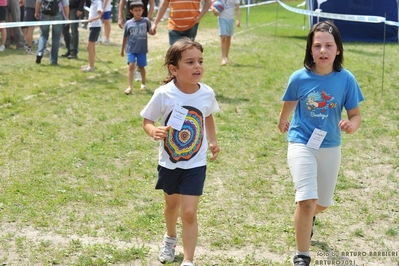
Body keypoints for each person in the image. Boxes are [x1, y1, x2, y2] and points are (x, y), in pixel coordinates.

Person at [277, 20, 364, 266]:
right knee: (306, 201)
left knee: (320, 204)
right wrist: (283, 120)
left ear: (338, 50)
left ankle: (308, 216)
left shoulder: (346, 79)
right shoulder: (299, 77)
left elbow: (355, 114)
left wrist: (352, 125)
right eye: (317, 46)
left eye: (328, 45)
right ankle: (302, 255)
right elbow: (289, 102)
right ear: (310, 50)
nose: (322, 51)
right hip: (301, 142)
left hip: (330, 145)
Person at [140, 37, 220, 266]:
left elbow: (208, 116)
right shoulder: (164, 94)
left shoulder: (206, 93)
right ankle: (170, 238)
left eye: (200, 61)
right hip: (169, 162)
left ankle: (188, 260)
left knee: (189, 212)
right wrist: (153, 130)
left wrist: (212, 141)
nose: (198, 67)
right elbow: (147, 119)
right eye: (190, 62)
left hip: (195, 163)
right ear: (173, 69)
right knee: (172, 205)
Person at [121, 1, 153, 94]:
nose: (138, 12)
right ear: (131, 11)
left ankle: (143, 83)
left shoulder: (146, 21)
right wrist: (122, 49)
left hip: (142, 49)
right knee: (131, 66)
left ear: (143, 10)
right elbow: (125, 37)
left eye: (140, 10)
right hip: (131, 49)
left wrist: (153, 31)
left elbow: (150, 32)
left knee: (141, 67)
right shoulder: (128, 23)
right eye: (136, 10)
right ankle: (129, 87)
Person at [35, 0, 69, 64]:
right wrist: (66, 17)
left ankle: (39, 53)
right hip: (57, 13)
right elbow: (66, 4)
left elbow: (38, 1)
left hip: (45, 12)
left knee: (43, 35)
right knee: (56, 37)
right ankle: (54, 60)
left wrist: (36, 12)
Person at [210, 0, 240, 66]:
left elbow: (237, 8)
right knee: (223, 37)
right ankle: (223, 58)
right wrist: (214, 9)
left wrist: (238, 20)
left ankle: (226, 56)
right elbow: (210, 3)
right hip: (222, 18)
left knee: (228, 38)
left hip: (231, 19)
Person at [81, 0, 102, 72]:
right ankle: (90, 64)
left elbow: (99, 16)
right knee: (91, 46)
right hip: (92, 26)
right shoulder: (92, 2)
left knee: (89, 46)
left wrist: (91, 19)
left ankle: (91, 66)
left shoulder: (98, 2)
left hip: (96, 26)